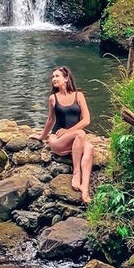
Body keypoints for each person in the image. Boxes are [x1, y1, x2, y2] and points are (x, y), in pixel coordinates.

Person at [30, 65, 93, 203]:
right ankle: (76, 174)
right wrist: (41, 137)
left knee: (89, 148)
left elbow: (86, 120)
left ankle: (85, 189)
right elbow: (50, 120)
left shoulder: (79, 96)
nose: (54, 79)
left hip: (74, 138)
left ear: (66, 78)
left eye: (57, 76)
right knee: (81, 134)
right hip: (57, 140)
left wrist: (68, 131)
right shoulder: (53, 98)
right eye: (53, 77)